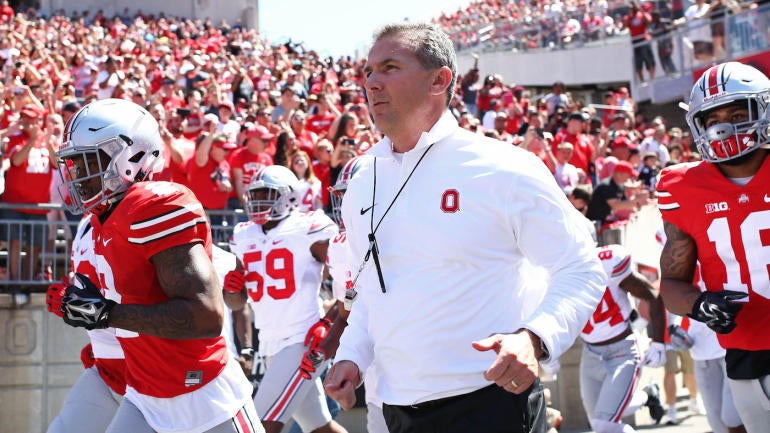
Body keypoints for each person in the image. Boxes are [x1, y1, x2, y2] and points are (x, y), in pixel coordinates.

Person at [323, 23, 606, 433]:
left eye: (388, 68)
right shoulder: (362, 180)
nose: (371, 83)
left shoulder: (504, 166)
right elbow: (370, 291)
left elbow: (580, 267)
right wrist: (352, 355)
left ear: (439, 80)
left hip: (491, 403)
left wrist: (533, 338)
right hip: (394, 409)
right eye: (368, 71)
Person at [54, 98, 263, 433]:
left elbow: (205, 316)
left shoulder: (157, 205)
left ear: (129, 158)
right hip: (145, 396)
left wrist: (105, 314)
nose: (77, 176)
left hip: (205, 396)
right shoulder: (101, 222)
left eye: (85, 162)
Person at [656, 61, 770, 433]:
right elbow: (671, 285)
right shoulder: (682, 187)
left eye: (738, 113)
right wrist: (698, 305)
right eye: (713, 117)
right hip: (746, 351)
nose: (724, 126)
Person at [223, 165, 347, 433]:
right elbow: (236, 304)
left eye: (266, 193)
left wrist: (331, 319)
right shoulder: (244, 235)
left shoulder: (308, 228)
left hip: (301, 339)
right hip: (270, 343)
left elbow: (350, 277)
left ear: (289, 196)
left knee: (258, 426)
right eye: (254, 195)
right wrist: (232, 291)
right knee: (320, 428)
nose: (257, 201)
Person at [45, 214, 127, 433]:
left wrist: (78, 307)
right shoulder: (85, 223)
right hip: (107, 369)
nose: (76, 181)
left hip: (149, 372)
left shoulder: (141, 218)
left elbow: (153, 306)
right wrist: (101, 345)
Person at [579, 243, 667, 432]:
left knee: (603, 424)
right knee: (599, 420)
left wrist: (659, 343)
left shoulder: (606, 261)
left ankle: (647, 396)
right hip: (590, 352)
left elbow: (652, 295)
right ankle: (647, 395)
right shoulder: (553, 270)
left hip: (621, 349)